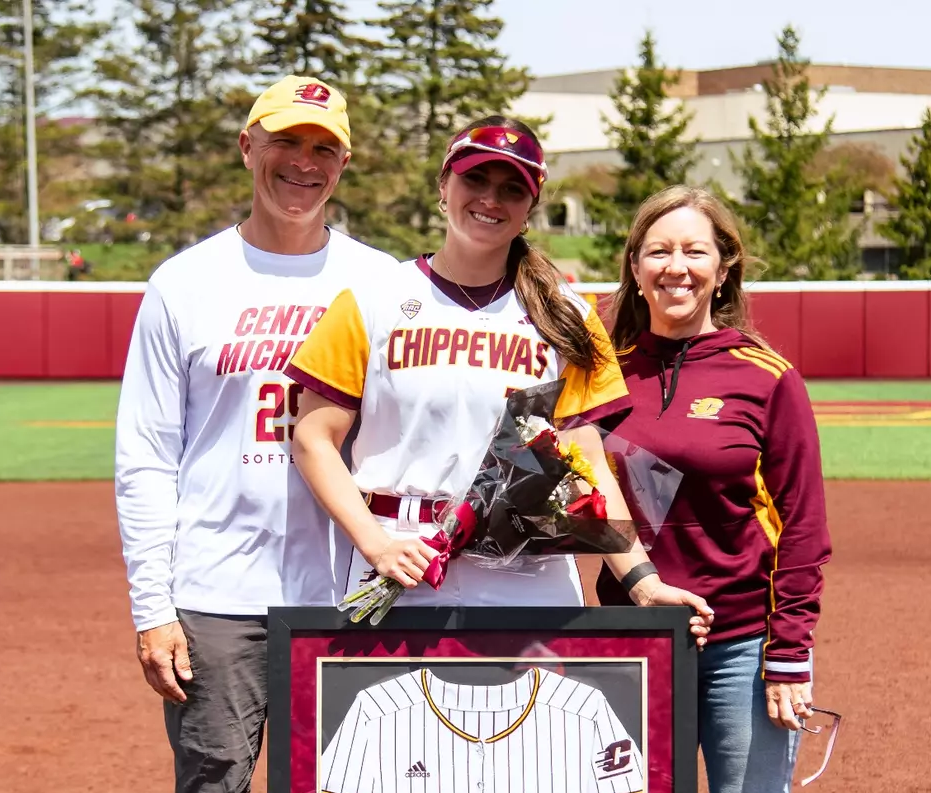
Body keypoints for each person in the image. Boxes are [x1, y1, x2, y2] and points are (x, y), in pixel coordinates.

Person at [114, 75, 398, 793]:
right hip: (220, 590)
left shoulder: (381, 283)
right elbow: (145, 452)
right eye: (286, 142)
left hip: (349, 593)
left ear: (345, 161)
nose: (303, 163)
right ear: (248, 147)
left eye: (323, 146)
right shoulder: (184, 283)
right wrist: (153, 602)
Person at [595, 185, 831, 793]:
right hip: (632, 639)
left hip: (737, 638)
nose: (676, 268)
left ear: (724, 265)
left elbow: (804, 527)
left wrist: (789, 651)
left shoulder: (765, 375)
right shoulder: (602, 370)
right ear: (635, 265)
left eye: (695, 252)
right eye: (659, 251)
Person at [288, 116, 712, 622]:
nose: (491, 199)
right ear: (444, 186)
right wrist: (376, 543)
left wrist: (641, 582)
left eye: (512, 189)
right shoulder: (372, 300)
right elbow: (313, 439)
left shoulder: (566, 314)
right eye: (475, 179)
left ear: (530, 209)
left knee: (534, 704)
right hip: (400, 560)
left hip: (530, 567)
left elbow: (589, 463)